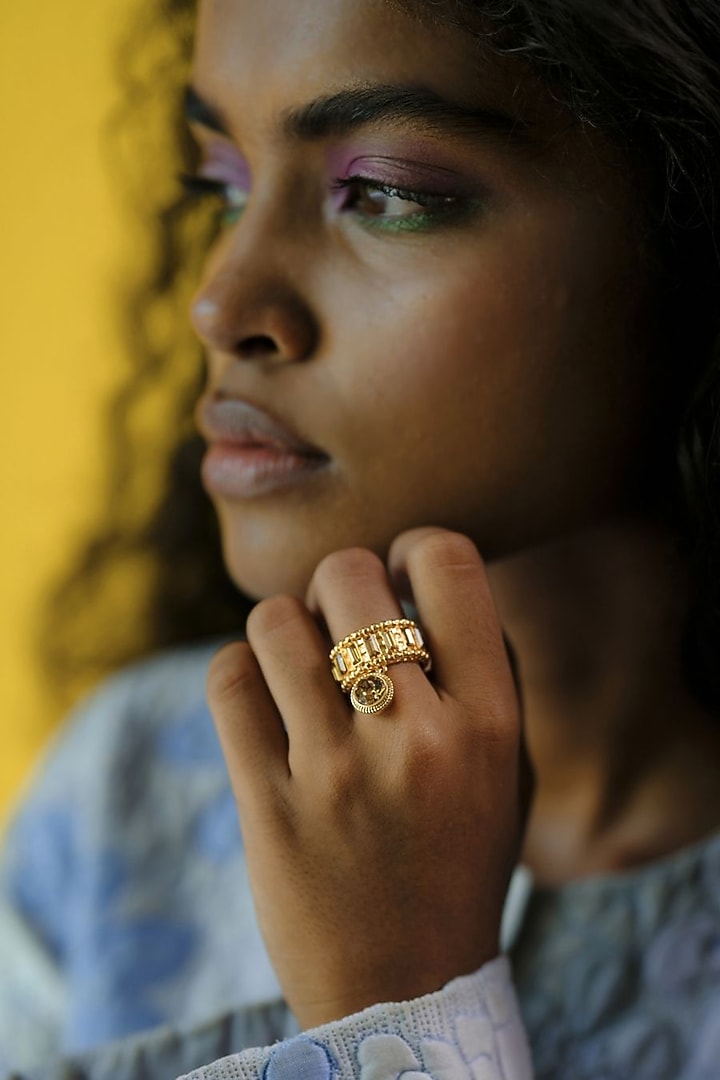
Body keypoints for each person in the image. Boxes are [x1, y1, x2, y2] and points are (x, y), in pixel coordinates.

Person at [2, 0, 720, 1076]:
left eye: (387, 193)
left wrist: (398, 1001)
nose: (222, 302)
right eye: (221, 185)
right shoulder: (129, 791)